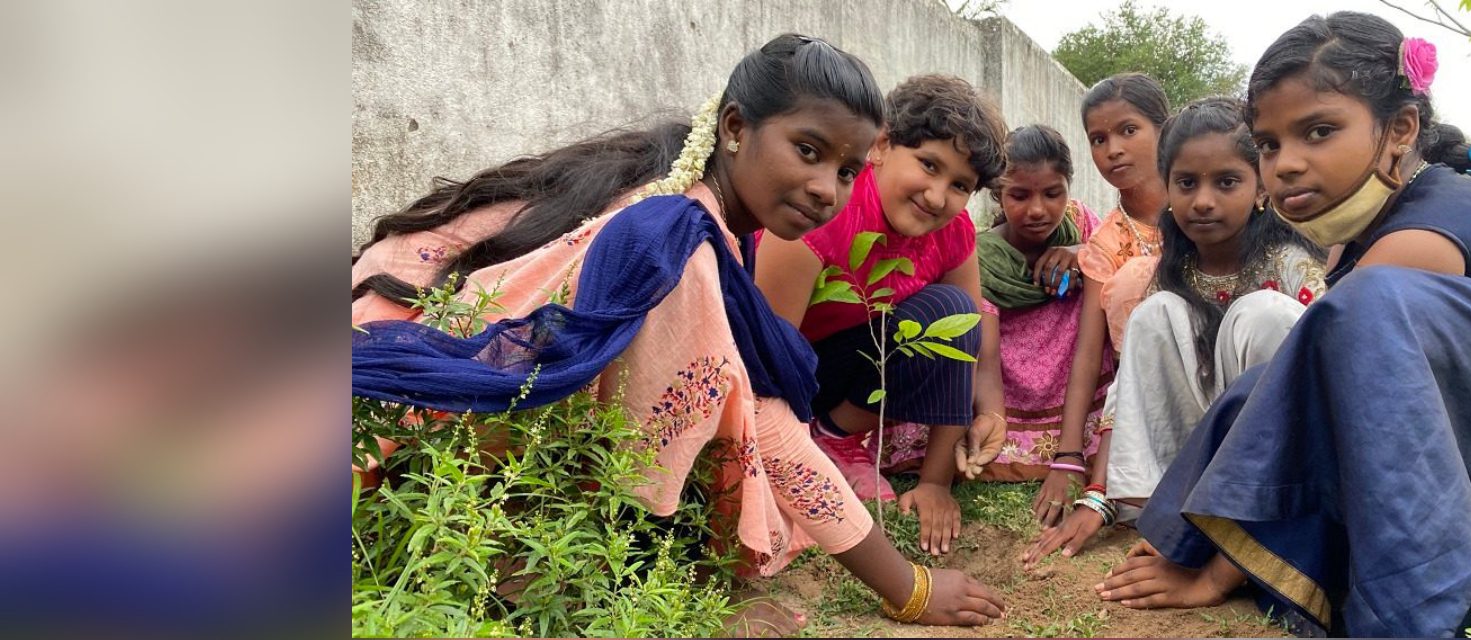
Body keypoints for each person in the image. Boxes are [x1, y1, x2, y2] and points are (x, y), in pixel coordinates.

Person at [352, 34, 1007, 629]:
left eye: (842, 170)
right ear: (733, 128)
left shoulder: (704, 207)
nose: (824, 190)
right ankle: (612, 586)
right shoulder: (678, 246)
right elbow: (756, 422)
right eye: (806, 151)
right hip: (388, 414)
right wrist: (909, 586)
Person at [1094, 14, 1471, 638]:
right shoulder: (1367, 233)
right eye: (1268, 144)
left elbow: (1318, 403)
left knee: (1355, 322)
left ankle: (1425, 605)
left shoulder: (1419, 240)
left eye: (1318, 132)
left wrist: (1218, 571)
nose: (1285, 165)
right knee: (1290, 366)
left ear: (1400, 129)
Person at [1025, 97, 1328, 569]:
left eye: (1226, 182)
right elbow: (1129, 386)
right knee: (1155, 313)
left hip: (1282, 462)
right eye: (1187, 183)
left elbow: (1322, 380)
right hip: (1199, 463)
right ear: (1168, 190)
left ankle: (1251, 519)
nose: (1203, 200)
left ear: (1262, 189)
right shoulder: (1172, 272)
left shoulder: (1291, 264)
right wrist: (1098, 495)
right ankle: (1164, 511)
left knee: (1264, 314)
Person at [753, 74, 1009, 558]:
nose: (937, 196)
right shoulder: (827, 211)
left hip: (855, 378)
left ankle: (836, 437)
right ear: (883, 145)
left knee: (951, 312)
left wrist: (937, 481)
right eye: (928, 165)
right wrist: (782, 446)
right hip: (784, 372)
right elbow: (765, 350)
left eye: (960, 185)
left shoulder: (953, 232)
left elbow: (965, 334)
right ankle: (798, 444)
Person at [1023, 74, 1173, 536]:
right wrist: (1069, 457)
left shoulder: (1205, 207)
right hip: (1149, 396)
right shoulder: (1107, 244)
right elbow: (1091, 352)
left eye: (1129, 130)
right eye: (1098, 139)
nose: (1113, 149)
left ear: (1164, 131)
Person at [969, 124, 1111, 483]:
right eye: (1019, 195)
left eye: (1052, 194)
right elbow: (985, 358)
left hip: (1078, 368)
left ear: (1067, 189)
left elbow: (1120, 263)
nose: (1038, 210)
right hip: (1010, 378)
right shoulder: (983, 257)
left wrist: (1083, 255)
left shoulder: (1081, 225)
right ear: (998, 195)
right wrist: (994, 419)